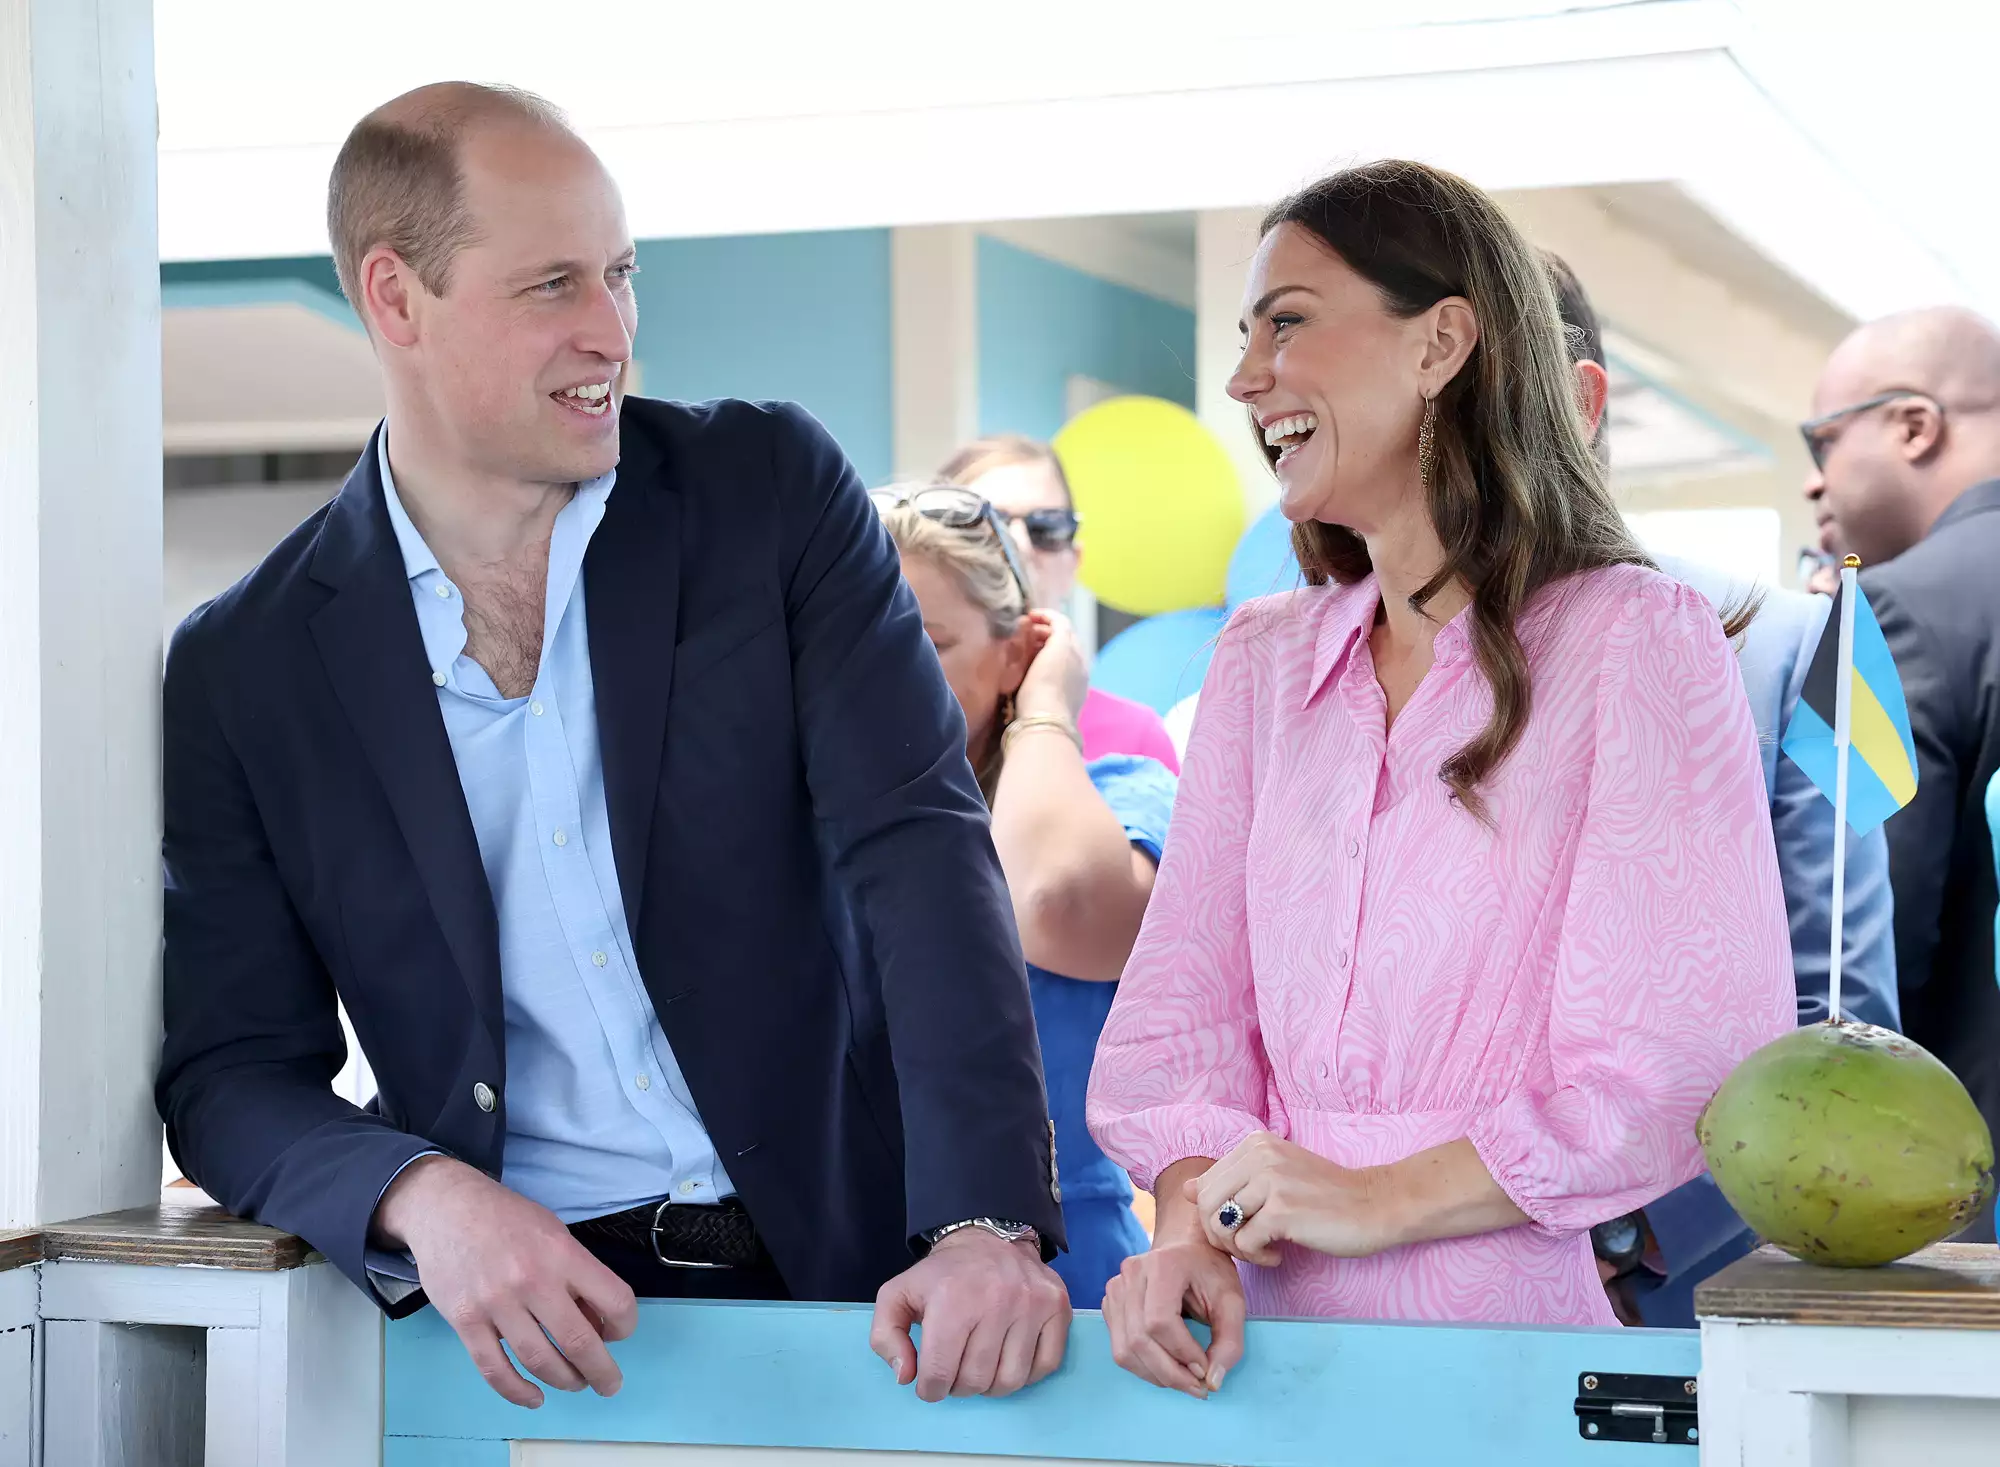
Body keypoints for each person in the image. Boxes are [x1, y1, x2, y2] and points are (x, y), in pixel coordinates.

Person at [156, 82, 1071, 1412]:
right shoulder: (247, 664)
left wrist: (984, 1215)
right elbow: (232, 1066)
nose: (612, 330)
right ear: (396, 298)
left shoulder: (770, 495)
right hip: (538, 1342)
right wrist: (421, 1191)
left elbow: (917, 852)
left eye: (623, 274)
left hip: (874, 1296)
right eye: (553, 286)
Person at [1084, 160, 1794, 1396]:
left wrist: (1373, 1196)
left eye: (1286, 322)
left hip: (1500, 1347)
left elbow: (1675, 1059)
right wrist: (1186, 1229)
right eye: (1242, 338)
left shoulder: (1636, 638)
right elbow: (1182, 1020)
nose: (1247, 377)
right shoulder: (1258, 662)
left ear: (1442, 342)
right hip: (1245, 1349)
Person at [1547, 251, 1900, 1326]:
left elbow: (1835, 1013)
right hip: (1363, 1295)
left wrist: (1634, 1235)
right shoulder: (1335, 664)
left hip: (1668, 1308)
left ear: (1574, 398)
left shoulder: (1794, 644)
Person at [874, 485, 1175, 1306]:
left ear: (1017, 652)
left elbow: (1052, 900)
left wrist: (1046, 708)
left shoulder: (1118, 798)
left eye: (920, 641)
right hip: (850, 1285)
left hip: (1073, 1288)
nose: (870, 671)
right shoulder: (793, 831)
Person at [1803, 305, 2000, 1236]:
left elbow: (1862, 947)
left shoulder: (1882, 609)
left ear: (1915, 425)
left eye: (1824, 439)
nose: (1814, 482)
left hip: (1962, 1195)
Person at [940, 435, 1181, 771]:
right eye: (988, 526)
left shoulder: (1134, 737)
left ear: (1073, 563)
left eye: (1047, 527)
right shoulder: (897, 717)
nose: (1020, 547)